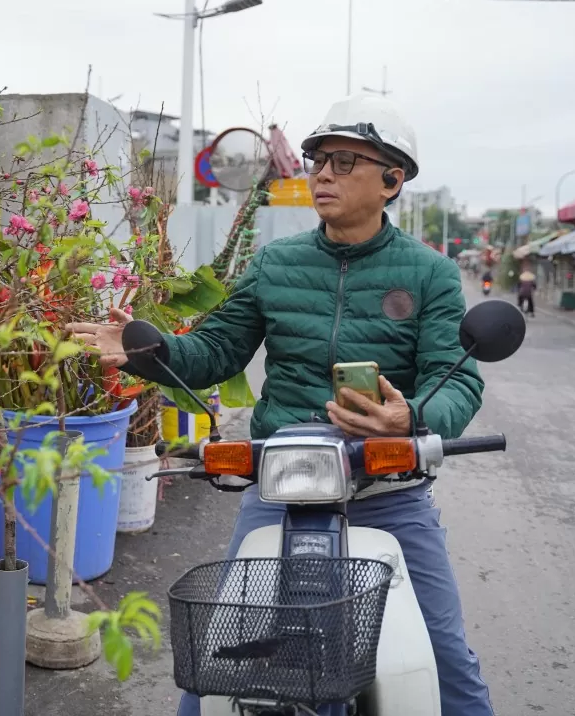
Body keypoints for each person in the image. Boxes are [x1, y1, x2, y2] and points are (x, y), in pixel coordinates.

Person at [69, 93, 493, 715]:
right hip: (283, 483)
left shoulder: (428, 273)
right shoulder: (274, 263)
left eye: (346, 162)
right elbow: (215, 350)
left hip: (389, 487)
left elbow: (457, 379)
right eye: (320, 159)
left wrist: (413, 416)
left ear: (393, 180)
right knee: (216, 662)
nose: (323, 173)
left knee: (446, 658)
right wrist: (148, 349)